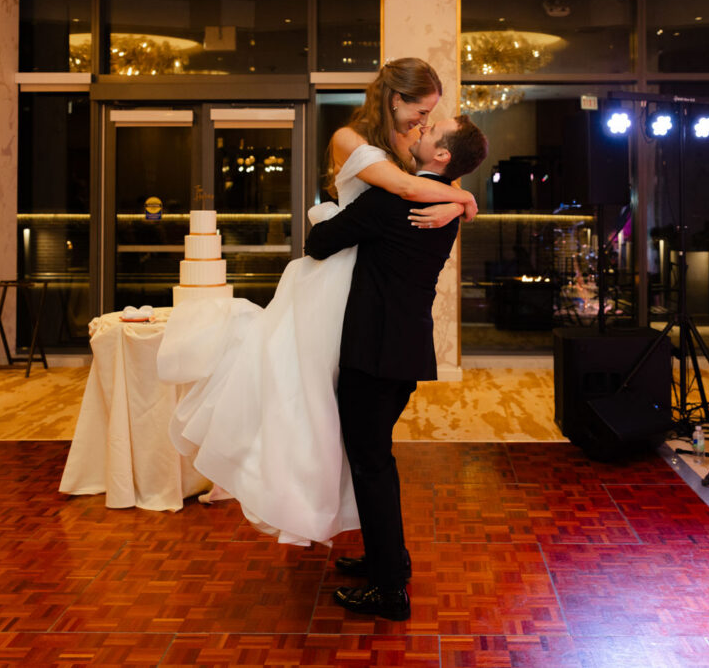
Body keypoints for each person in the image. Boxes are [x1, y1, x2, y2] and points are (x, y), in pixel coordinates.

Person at [159, 58, 477, 547]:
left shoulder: (408, 162)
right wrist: (464, 200)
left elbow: (416, 186)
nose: (424, 122)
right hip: (348, 289)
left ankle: (369, 555)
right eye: (422, 111)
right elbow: (414, 187)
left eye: (431, 119)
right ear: (397, 99)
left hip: (365, 297)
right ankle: (343, 531)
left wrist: (457, 197)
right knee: (310, 406)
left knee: (347, 433)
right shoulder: (357, 143)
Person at [305, 115, 489, 621]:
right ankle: (388, 558)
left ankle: (389, 589)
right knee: (375, 459)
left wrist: (323, 212)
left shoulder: (395, 198)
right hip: (404, 351)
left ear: (442, 155)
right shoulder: (446, 204)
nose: (418, 134)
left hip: (374, 352)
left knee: (371, 465)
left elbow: (318, 244)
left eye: (430, 132)